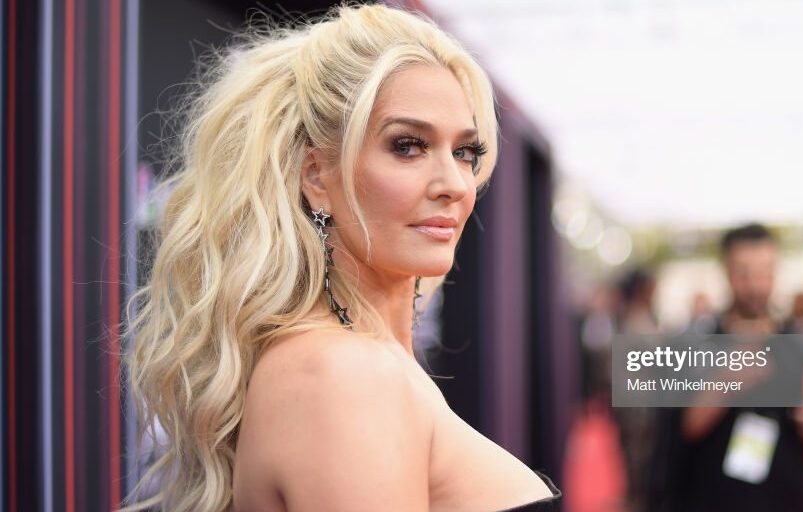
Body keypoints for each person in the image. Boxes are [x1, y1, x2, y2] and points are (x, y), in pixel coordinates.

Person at [120, 5, 560, 511]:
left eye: (465, 152)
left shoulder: (362, 363)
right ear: (316, 177)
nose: (455, 185)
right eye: (408, 146)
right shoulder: (341, 374)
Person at [649, 223, 803, 512]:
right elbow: (675, 436)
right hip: (711, 497)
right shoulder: (692, 344)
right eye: (744, 273)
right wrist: (725, 382)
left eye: (765, 273)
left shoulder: (800, 344)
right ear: (727, 272)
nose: (755, 285)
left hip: (785, 496)